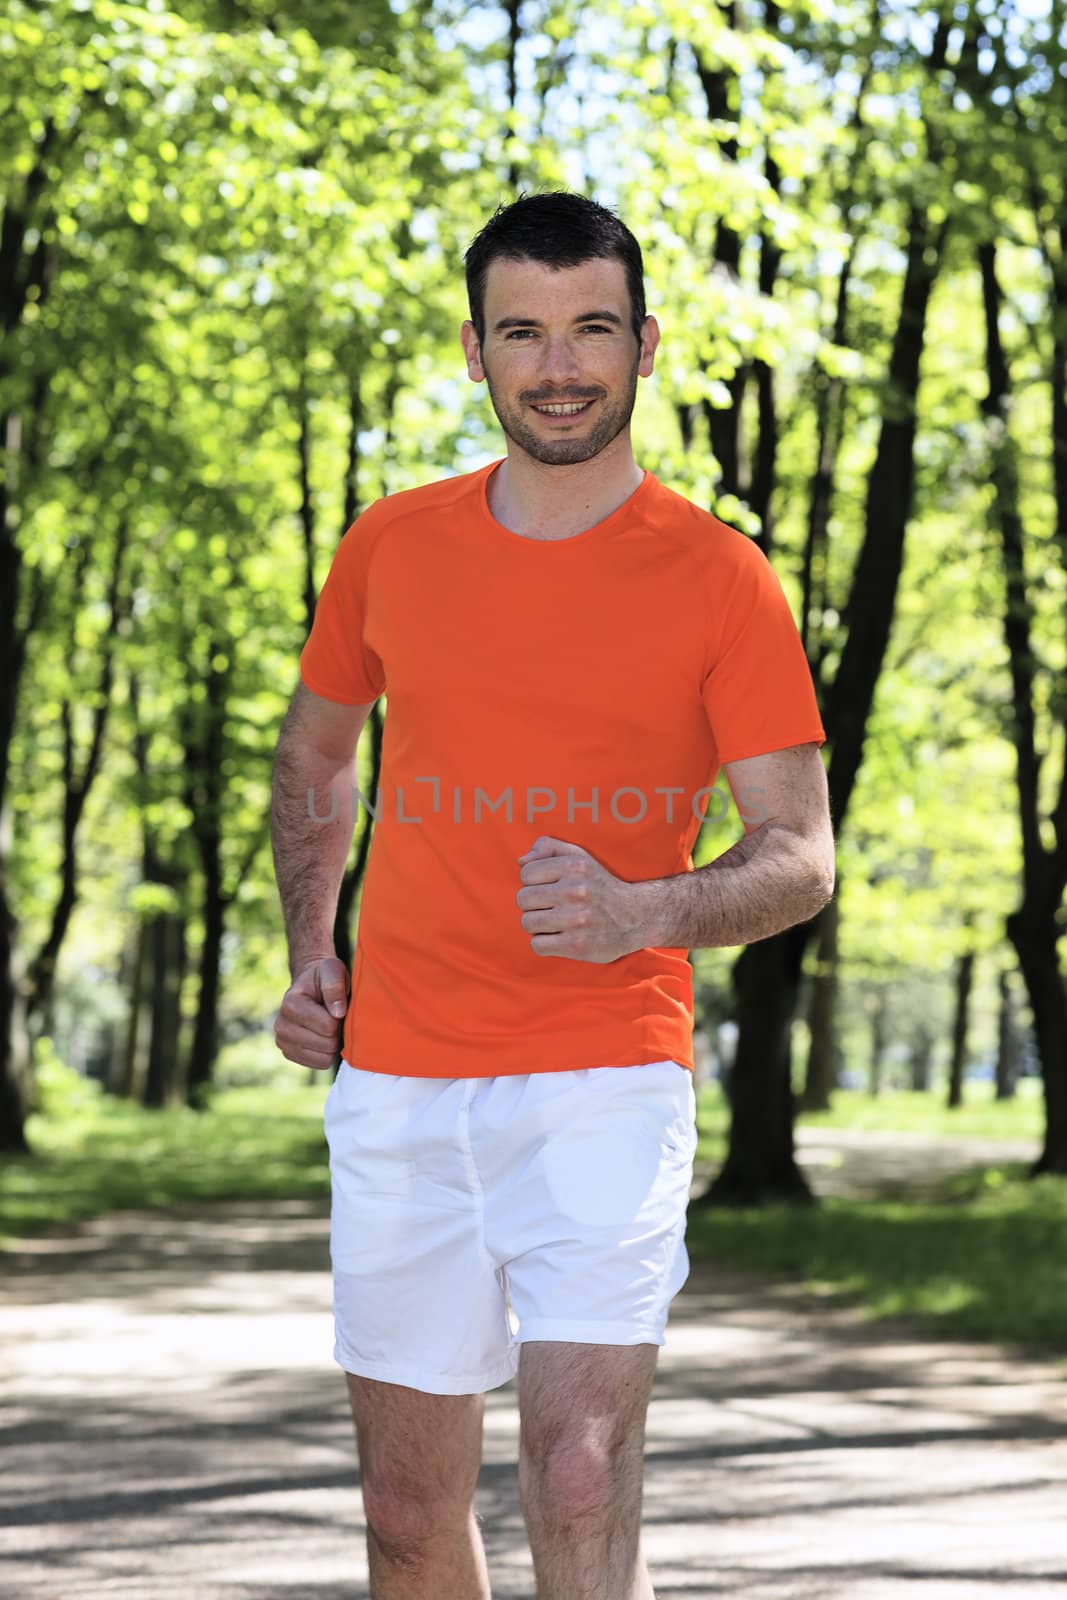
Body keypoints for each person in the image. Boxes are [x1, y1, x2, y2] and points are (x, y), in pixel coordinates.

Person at [270, 190, 834, 1600]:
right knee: (405, 1511)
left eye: (591, 329)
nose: (558, 364)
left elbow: (800, 855)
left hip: (603, 1082)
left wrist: (647, 911)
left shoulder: (723, 579)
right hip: (399, 1085)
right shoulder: (391, 547)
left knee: (578, 1477)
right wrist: (309, 950)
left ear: (645, 345)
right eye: (523, 332)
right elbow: (316, 757)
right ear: (476, 352)